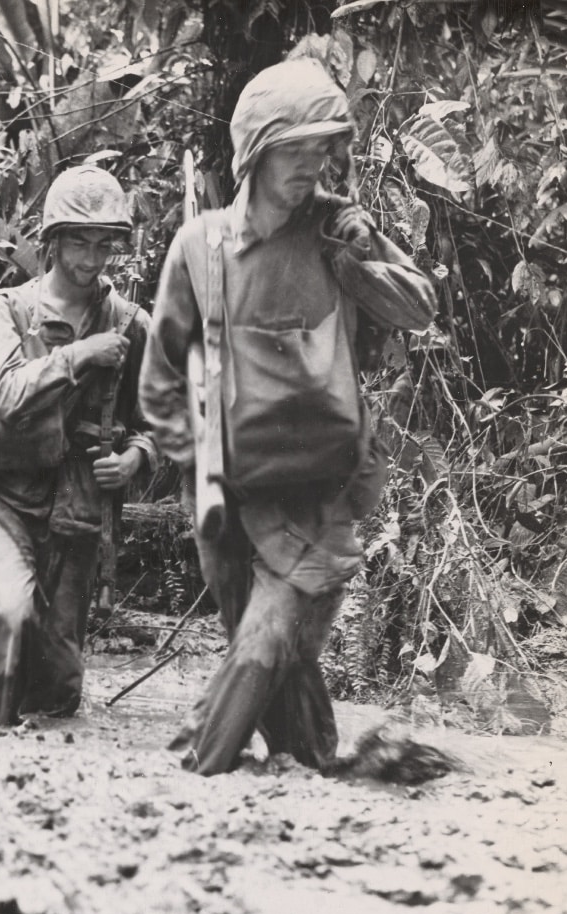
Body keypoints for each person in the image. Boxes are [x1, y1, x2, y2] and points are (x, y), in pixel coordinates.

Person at [140, 59, 436, 776]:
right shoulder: (199, 247)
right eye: (295, 150)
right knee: (282, 653)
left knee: (269, 637)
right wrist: (200, 460)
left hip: (318, 487)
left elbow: (419, 309)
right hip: (227, 493)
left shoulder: (336, 233)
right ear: (255, 152)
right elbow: (157, 384)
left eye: (322, 150)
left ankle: (196, 767)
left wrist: (360, 261)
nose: (312, 166)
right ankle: (317, 761)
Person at [0, 166, 155, 725]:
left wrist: (136, 457)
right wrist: (81, 354)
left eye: (103, 244)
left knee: (57, 683)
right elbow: (7, 394)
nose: (92, 260)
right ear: (52, 242)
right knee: (4, 614)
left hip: (77, 508)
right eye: (78, 242)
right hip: (3, 497)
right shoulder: (8, 311)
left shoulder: (130, 323)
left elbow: (160, 418)